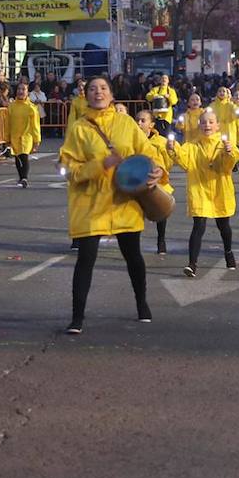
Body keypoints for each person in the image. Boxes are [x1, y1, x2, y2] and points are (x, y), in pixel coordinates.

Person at [59, 75, 162, 334]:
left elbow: (147, 152)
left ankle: (142, 303)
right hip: (91, 203)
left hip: (125, 200)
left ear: (111, 94)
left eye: (103, 88)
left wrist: (157, 169)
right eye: (92, 89)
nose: (98, 92)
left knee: (133, 256)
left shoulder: (126, 122)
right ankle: (77, 317)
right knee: (86, 259)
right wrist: (99, 166)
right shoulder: (79, 128)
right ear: (86, 95)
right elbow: (68, 168)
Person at [169, 109, 239, 278]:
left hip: (219, 190)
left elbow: (230, 164)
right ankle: (192, 263)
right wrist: (173, 149)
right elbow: (184, 160)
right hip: (199, 189)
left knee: (224, 226)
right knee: (198, 226)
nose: (207, 125)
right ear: (199, 125)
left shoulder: (224, 144)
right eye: (203, 122)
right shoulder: (192, 145)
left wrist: (229, 153)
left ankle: (228, 251)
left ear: (217, 126)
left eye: (210, 122)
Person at [135, 109, 176, 256]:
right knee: (135, 212)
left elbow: (169, 161)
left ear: (151, 124)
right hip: (138, 181)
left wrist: (161, 171)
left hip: (158, 179)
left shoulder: (161, 142)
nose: (139, 123)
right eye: (137, 120)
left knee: (161, 211)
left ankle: (161, 240)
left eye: (143, 120)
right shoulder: (131, 141)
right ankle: (134, 242)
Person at [6, 82, 42, 187]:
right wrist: (7, 137)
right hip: (14, 135)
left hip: (27, 136)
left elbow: (35, 125)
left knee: (24, 156)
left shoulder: (31, 108)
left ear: (27, 92)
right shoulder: (12, 106)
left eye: (23, 89)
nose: (21, 91)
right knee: (18, 158)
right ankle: (21, 177)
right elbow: (8, 123)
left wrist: (37, 140)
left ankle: (25, 178)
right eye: (19, 89)